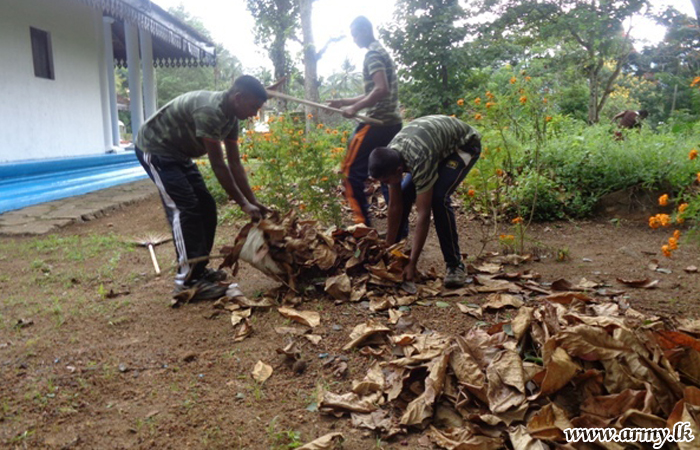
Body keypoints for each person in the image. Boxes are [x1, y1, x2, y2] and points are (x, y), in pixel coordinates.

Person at [134, 75, 269, 296]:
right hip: (155, 149)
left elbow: (234, 163)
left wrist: (253, 201)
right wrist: (244, 205)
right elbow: (219, 165)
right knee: (185, 207)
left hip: (178, 154)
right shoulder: (210, 111)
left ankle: (198, 270)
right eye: (253, 107)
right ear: (238, 97)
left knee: (206, 206)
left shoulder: (230, 119)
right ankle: (186, 283)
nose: (254, 114)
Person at [368, 115, 481, 288]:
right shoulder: (390, 156)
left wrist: (413, 263)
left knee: (438, 198)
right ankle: (395, 255)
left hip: (464, 145)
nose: (384, 185)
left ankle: (455, 265)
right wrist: (388, 248)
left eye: (386, 180)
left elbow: (423, 214)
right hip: (434, 145)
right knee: (404, 194)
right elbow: (395, 205)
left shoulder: (419, 160)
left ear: (399, 170)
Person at [327, 16, 403, 227]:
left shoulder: (372, 55)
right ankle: (398, 231)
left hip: (376, 123)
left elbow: (381, 89)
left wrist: (354, 109)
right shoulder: (381, 51)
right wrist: (343, 102)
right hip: (393, 124)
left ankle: (362, 228)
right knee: (389, 176)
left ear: (365, 31)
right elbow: (373, 93)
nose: (354, 39)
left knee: (350, 173)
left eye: (355, 34)